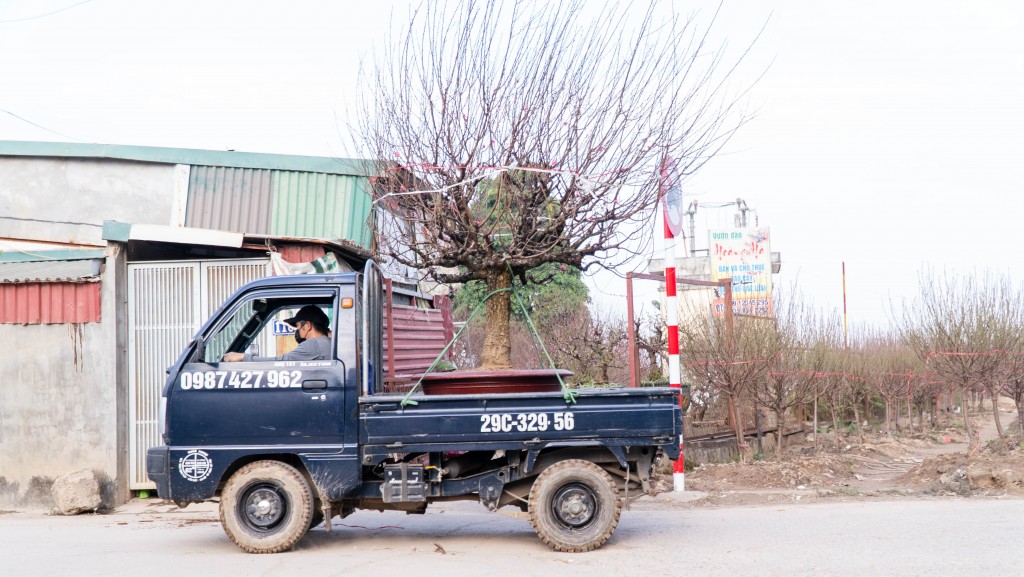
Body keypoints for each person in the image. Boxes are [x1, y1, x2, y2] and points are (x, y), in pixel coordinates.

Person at [222, 305, 332, 362]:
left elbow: (280, 362)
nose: (296, 330)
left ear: (307, 325)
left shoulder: (313, 345)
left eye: (298, 326)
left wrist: (243, 357)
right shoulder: (327, 343)